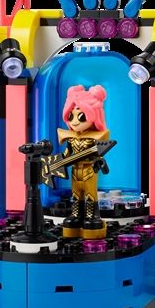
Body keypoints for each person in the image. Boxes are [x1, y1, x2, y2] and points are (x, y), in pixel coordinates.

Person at [58, 85, 112, 239]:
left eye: (81, 116)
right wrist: (61, 161)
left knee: (90, 194)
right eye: (71, 116)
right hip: (75, 170)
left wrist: (99, 161)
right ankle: (76, 215)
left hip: (89, 170)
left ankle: (92, 216)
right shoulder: (71, 138)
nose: (75, 121)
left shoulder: (94, 138)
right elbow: (67, 153)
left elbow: (99, 154)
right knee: (76, 194)